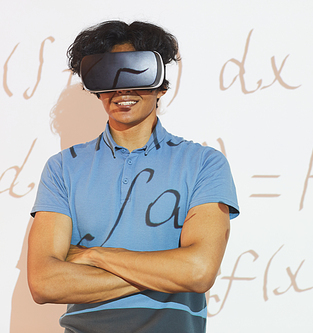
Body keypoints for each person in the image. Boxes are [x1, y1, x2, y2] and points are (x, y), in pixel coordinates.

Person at [27, 20, 239, 333]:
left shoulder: (204, 164)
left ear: (161, 85)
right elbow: (44, 282)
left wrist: (95, 255)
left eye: (136, 72)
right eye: (108, 75)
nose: (122, 88)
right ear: (94, 88)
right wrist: (167, 271)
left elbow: (198, 272)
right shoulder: (62, 169)